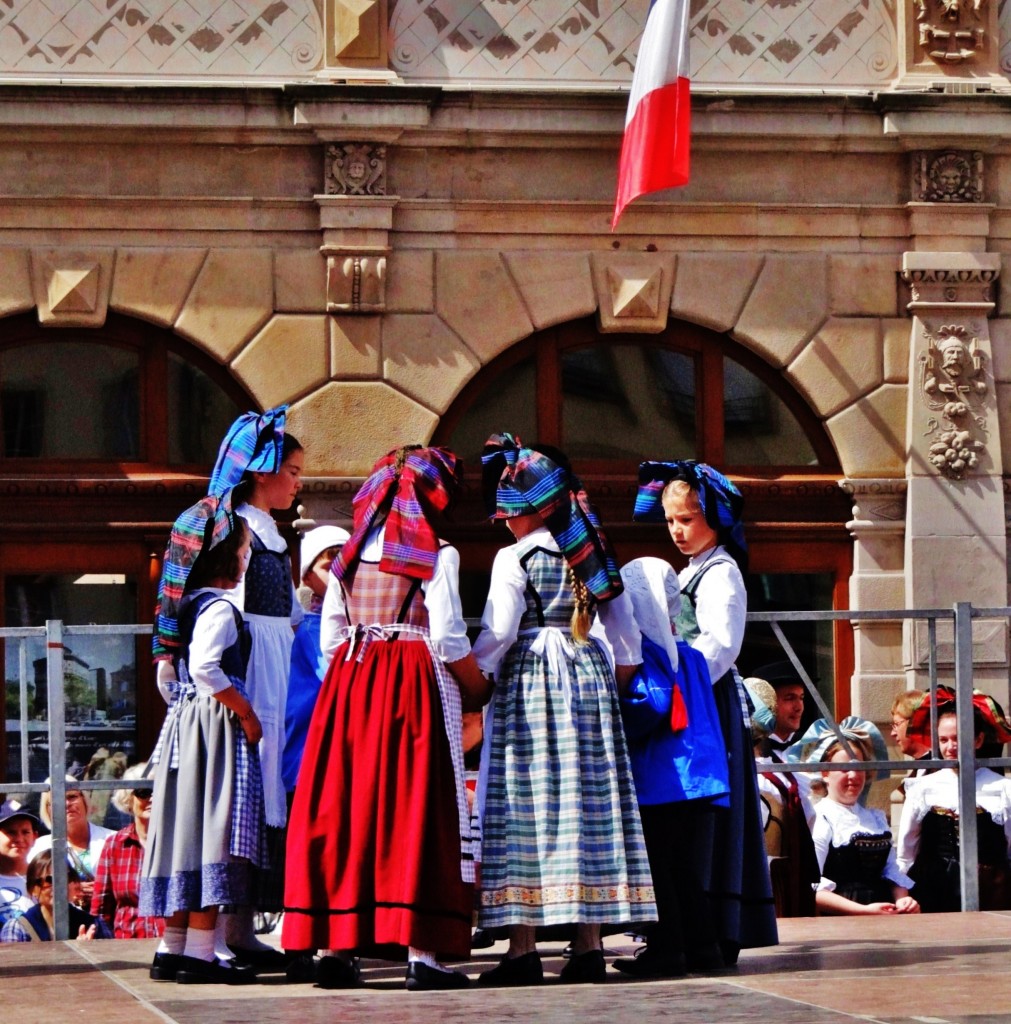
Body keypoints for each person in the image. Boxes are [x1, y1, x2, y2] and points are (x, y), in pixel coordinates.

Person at [283, 445, 490, 992]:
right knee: (417, 807)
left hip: (350, 681)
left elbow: (330, 635)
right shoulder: (436, 553)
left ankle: (335, 949)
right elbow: (446, 634)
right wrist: (477, 684)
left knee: (346, 808)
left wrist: (354, 679)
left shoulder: (349, 555)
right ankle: (424, 954)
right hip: (413, 681)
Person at [473, 435, 656, 986]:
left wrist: (477, 671)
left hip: (532, 678)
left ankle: (523, 947)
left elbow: (500, 630)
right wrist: (607, 683)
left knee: (528, 805)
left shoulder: (515, 556)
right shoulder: (591, 549)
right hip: (587, 674)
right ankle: (588, 944)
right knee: (586, 807)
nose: (503, 523)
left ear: (523, 510)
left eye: (507, 512)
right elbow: (627, 638)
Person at [154, 405, 302, 969]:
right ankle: (215, 936)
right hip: (249, 668)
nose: (297, 484)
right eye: (292, 472)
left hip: (270, 660)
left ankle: (233, 930)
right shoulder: (234, 531)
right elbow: (224, 622)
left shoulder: (265, 532)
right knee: (241, 795)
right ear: (262, 472)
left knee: (262, 792)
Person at [633, 460, 777, 965]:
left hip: (703, 701)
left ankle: (714, 930)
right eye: (671, 521)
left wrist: (676, 682)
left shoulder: (722, 573)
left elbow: (721, 645)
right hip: (685, 696)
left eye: (687, 520)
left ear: (714, 517)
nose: (676, 530)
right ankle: (686, 933)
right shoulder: (687, 572)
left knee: (706, 823)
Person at [140, 497, 263, 985]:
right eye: (246, 546)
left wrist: (184, 709)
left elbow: (168, 678)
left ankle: (174, 948)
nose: (249, 554)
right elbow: (210, 669)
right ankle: (200, 953)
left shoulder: (180, 610)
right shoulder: (220, 609)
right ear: (225, 555)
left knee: (185, 832)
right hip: (216, 727)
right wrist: (246, 713)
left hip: (186, 725)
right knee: (215, 827)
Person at [609, 556, 730, 976]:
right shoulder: (692, 655)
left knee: (661, 868)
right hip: (699, 778)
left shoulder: (646, 652)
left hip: (663, 780)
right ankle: (704, 948)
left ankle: (667, 949)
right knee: (685, 869)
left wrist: (618, 714)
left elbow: (653, 704)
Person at [280, 523, 349, 984]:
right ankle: (310, 941)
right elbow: (331, 677)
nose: (339, 572)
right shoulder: (308, 628)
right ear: (306, 573)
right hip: (310, 754)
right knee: (316, 851)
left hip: (331, 753)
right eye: (329, 563)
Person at [796, 719, 918, 916]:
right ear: (826, 773)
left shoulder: (875, 818)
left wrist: (902, 899)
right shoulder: (821, 818)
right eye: (844, 768)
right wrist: (862, 910)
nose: (853, 775)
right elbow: (812, 886)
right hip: (840, 922)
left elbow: (891, 872)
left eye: (859, 767)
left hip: (883, 915)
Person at [897, 704, 1011, 912]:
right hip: (935, 882)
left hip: (990, 885)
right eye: (944, 740)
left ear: (978, 740)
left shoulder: (1001, 787)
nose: (951, 746)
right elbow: (907, 846)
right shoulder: (923, 787)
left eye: (958, 738)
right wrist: (902, 890)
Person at [745, 677, 818, 918]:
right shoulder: (747, 767)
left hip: (793, 872)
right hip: (763, 871)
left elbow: (808, 818)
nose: (799, 707)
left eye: (801, 698)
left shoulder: (790, 762)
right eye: (789, 699)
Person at [90, 763, 165, 939]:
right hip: (127, 947)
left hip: (171, 948)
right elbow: (101, 910)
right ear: (128, 800)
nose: (152, 798)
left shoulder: (180, 844)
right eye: (143, 792)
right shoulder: (114, 845)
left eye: (158, 790)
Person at [31, 779, 115, 909]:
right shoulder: (39, 847)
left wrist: (103, 891)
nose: (66, 804)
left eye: (72, 797)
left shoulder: (114, 839)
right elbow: (33, 893)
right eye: (56, 799)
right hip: (61, 924)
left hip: (108, 921)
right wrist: (69, 890)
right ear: (47, 809)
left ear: (84, 800)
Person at [1, 849, 111, 942]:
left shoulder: (95, 925)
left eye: (62, 878)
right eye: (48, 880)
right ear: (32, 889)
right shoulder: (17, 928)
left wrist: (90, 953)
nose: (57, 886)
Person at [0, 805, 41, 925]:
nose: (19, 838)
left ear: (34, 837)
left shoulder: (45, 878)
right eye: (11, 832)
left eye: (25, 832)